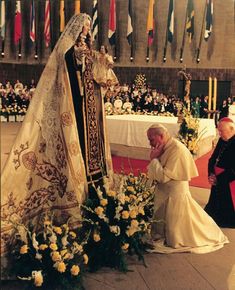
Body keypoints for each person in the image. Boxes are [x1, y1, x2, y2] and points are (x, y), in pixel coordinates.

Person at [1, 14, 113, 257]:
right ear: (77, 27)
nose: (87, 29)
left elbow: (100, 77)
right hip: (75, 107)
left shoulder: (88, 50)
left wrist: (101, 62)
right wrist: (85, 58)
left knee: (92, 150)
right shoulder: (69, 51)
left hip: (91, 111)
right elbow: (70, 68)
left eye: (88, 25)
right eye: (83, 25)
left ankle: (96, 187)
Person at [146, 124, 229, 254]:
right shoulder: (165, 146)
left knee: (182, 229)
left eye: (151, 139)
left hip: (175, 194)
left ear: (161, 136)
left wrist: (154, 159)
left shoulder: (177, 150)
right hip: (166, 192)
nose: (150, 143)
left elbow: (163, 177)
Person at [205, 117, 235, 228]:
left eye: (221, 131)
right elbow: (213, 159)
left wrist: (219, 178)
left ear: (231, 129)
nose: (219, 133)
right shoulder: (223, 139)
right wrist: (211, 174)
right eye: (219, 130)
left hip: (230, 182)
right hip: (218, 178)